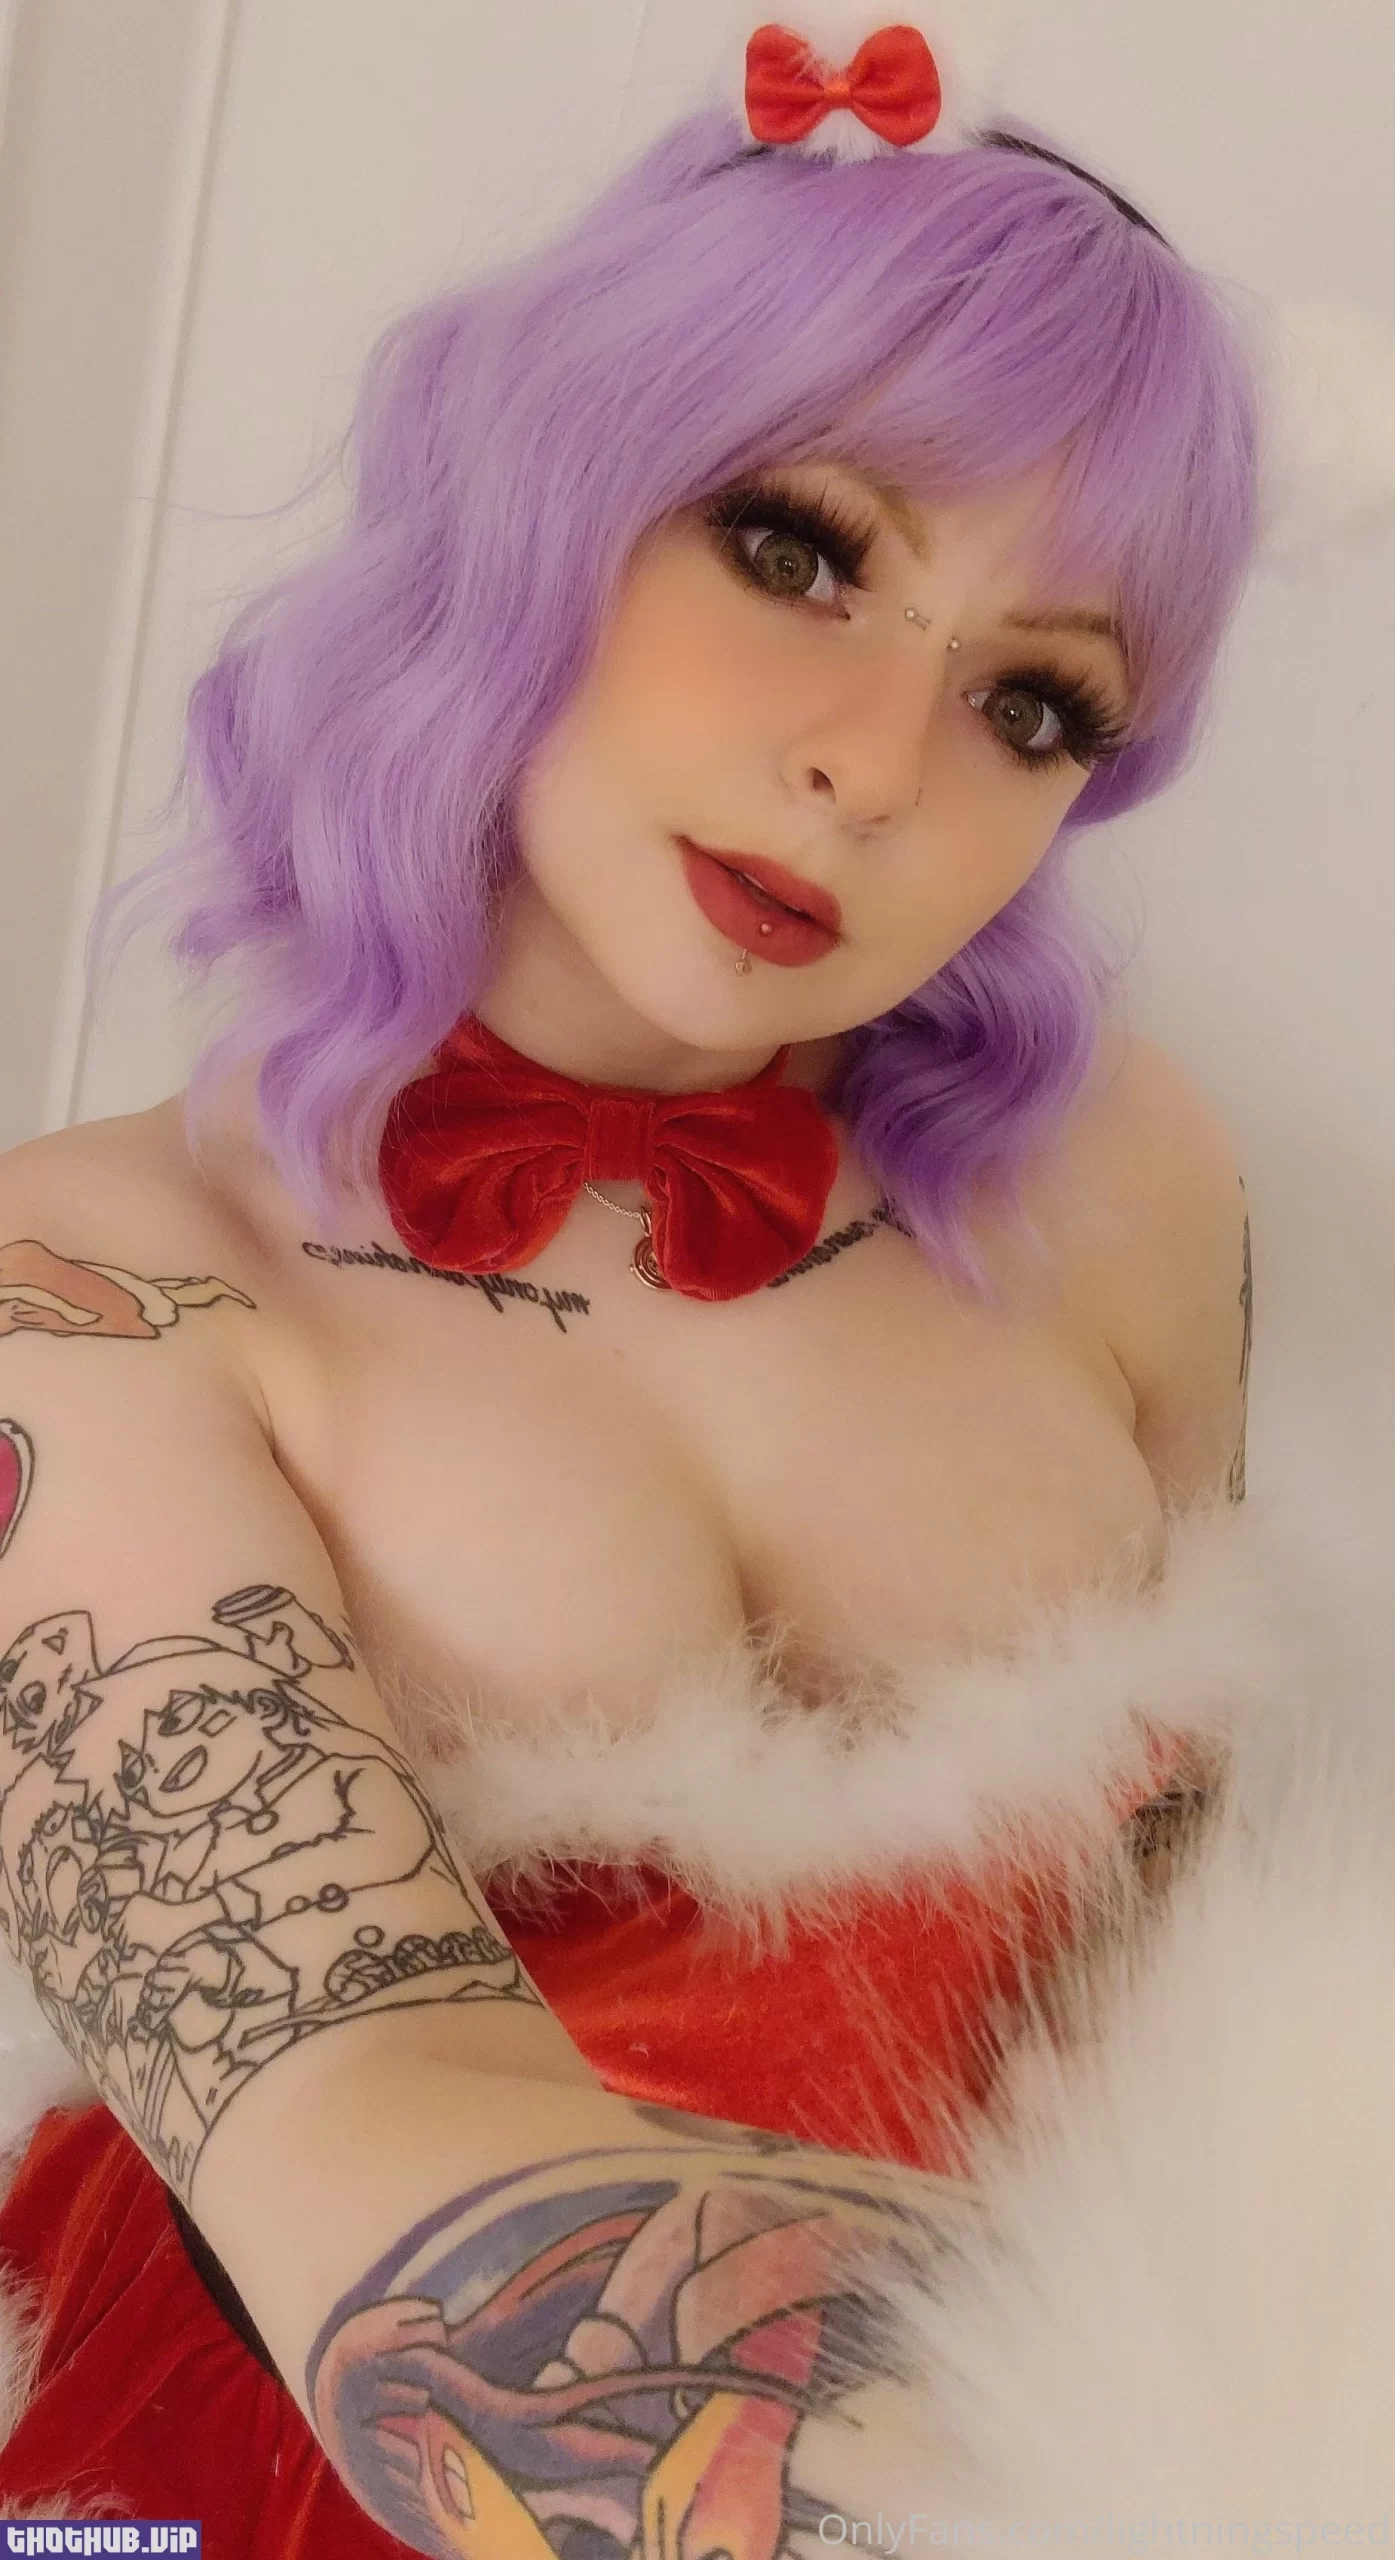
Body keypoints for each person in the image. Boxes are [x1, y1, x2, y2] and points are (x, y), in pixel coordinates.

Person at [0, 6, 1390, 2547]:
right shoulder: (86, 1291)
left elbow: (1174, 1963)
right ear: (546, 491)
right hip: (323, 2462)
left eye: (1033, 700)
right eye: (799, 549)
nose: (875, 761)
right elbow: (351, 2105)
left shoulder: (1122, 1179)